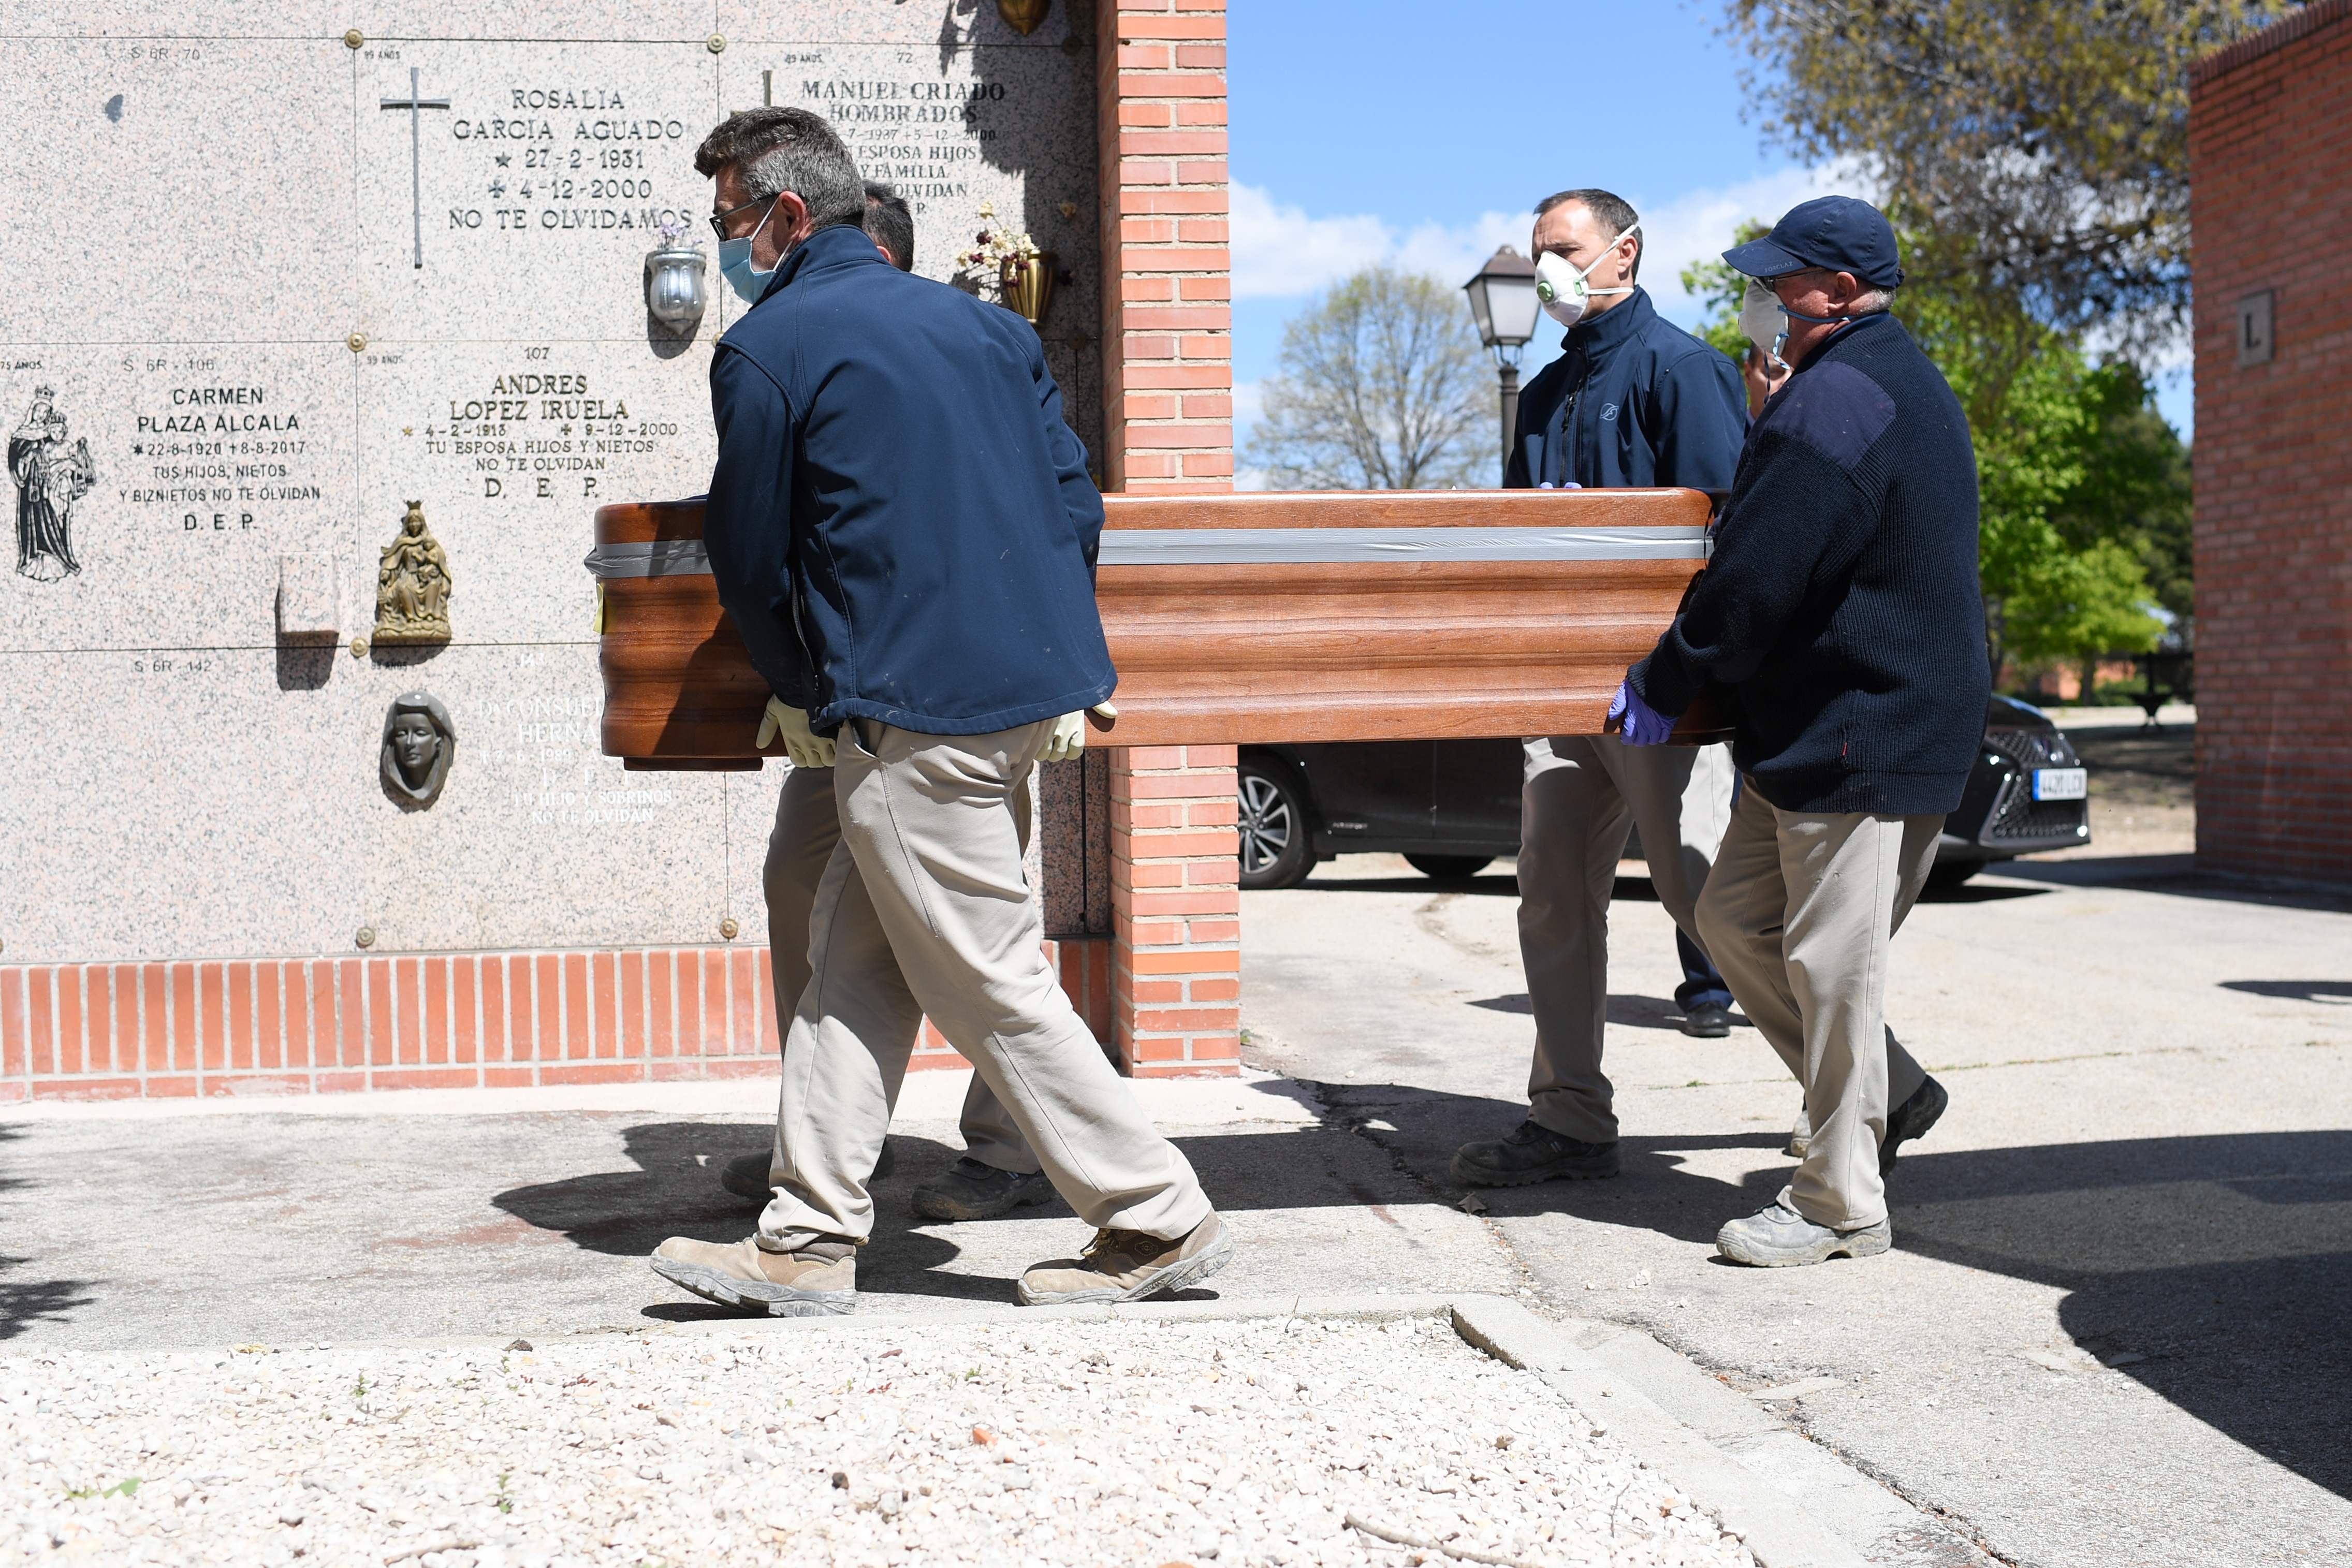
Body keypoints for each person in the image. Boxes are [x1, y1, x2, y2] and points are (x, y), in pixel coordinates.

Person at [652, 108, 1231, 1315]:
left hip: (907, 706)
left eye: (728, 221)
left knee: (984, 980)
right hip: (1011, 698)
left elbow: (750, 557)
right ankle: (807, 1238)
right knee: (853, 965)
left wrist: (808, 690)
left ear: (788, 215)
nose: (724, 248)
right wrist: (1034, 650)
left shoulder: (770, 347)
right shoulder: (989, 330)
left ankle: (1155, 1214)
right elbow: (1075, 508)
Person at [1611, 196, 1977, 1266]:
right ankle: (1892, 1093)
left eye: (1780, 281)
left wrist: (1663, 679)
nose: (1762, 297)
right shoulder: (1857, 386)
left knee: (1832, 970)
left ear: (1841, 291)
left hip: (1866, 729)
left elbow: (1753, 578)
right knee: (1731, 921)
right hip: (1816, 733)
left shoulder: (1837, 402)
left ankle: (1837, 1201)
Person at [718, 175, 1058, 1227]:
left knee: (978, 942)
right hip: (851, 697)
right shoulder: (805, 344)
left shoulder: (957, 340)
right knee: (811, 893)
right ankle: (823, 1160)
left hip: (941, 690)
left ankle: (1028, 1154)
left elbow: (1057, 505)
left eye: (735, 225)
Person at [1452, 189, 1749, 1191]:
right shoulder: (1541, 394)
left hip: (1665, 695)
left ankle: (1859, 1092)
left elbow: (1729, 540)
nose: (1547, 268)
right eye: (1539, 250)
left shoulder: (1687, 371)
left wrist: (1688, 676)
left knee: (1707, 897)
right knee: (1551, 892)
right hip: (1561, 695)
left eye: (1564, 248)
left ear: (1625, 251)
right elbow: (1515, 543)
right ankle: (1571, 1118)